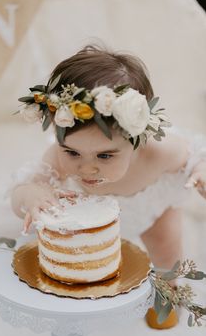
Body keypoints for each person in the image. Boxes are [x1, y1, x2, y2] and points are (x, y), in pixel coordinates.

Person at [10, 45, 206, 329]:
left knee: (167, 246)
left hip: (150, 202)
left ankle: (166, 295)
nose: (86, 169)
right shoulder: (57, 157)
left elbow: (197, 153)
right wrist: (31, 195)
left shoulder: (161, 152)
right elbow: (23, 188)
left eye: (105, 156)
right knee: (82, 257)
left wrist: (200, 171)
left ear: (137, 138)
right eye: (73, 152)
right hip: (90, 213)